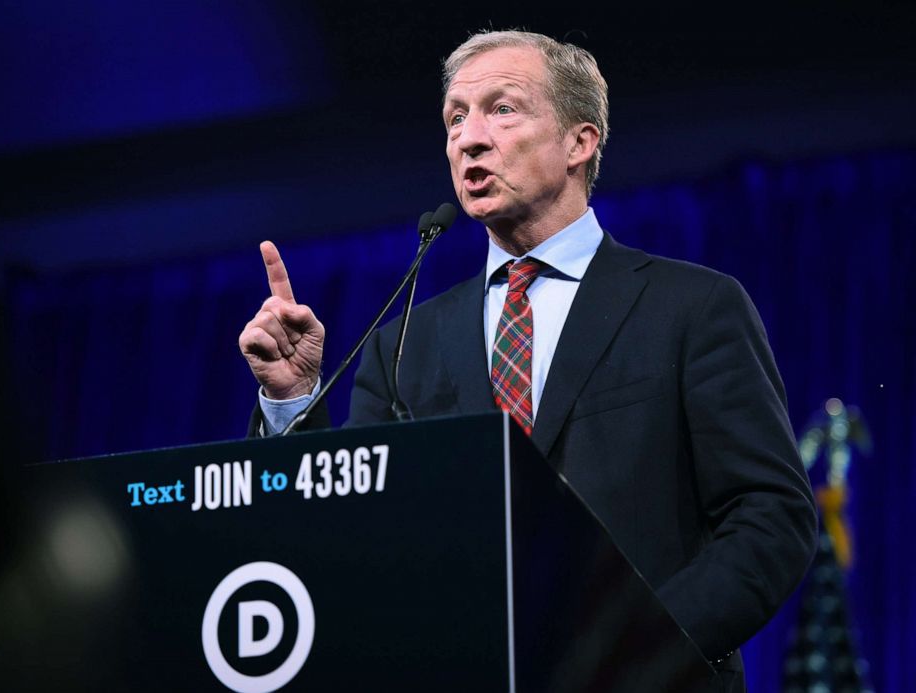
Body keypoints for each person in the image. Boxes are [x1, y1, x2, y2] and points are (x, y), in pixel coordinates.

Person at [239, 30, 816, 689]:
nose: (468, 138)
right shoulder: (403, 343)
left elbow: (770, 516)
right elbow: (352, 536)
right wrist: (292, 400)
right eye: (455, 118)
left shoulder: (693, 306)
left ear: (580, 141)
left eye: (501, 109)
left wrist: (642, 652)